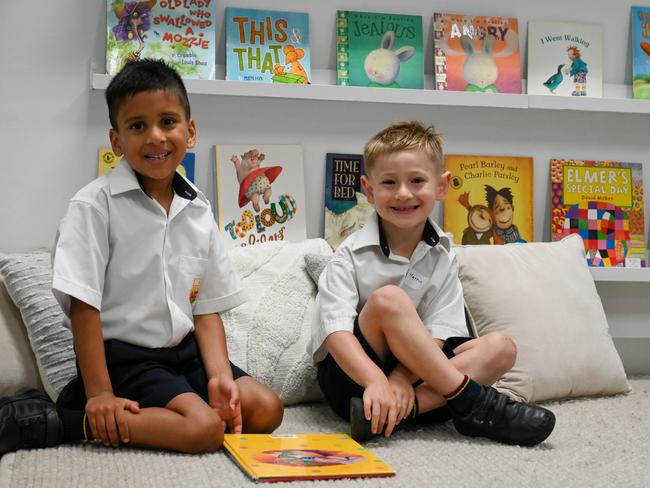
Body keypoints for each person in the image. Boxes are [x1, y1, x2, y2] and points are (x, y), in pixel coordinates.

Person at [0, 59, 283, 456]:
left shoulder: (198, 208)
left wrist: (220, 376)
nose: (155, 137)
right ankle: (68, 418)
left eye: (168, 122)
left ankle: (178, 404)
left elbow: (206, 308)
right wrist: (100, 394)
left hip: (187, 354)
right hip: (128, 359)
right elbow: (84, 306)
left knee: (266, 410)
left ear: (191, 131)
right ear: (116, 141)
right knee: (203, 431)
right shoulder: (94, 206)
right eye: (137, 126)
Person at [309, 120, 555, 446]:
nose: (403, 193)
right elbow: (336, 333)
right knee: (388, 300)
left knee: (501, 348)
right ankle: (473, 403)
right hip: (355, 380)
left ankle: (398, 412)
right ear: (369, 191)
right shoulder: (349, 255)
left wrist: (399, 381)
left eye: (416, 181)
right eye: (389, 182)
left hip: (416, 378)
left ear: (441, 186)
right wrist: (377, 381)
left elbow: (439, 332)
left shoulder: (443, 254)